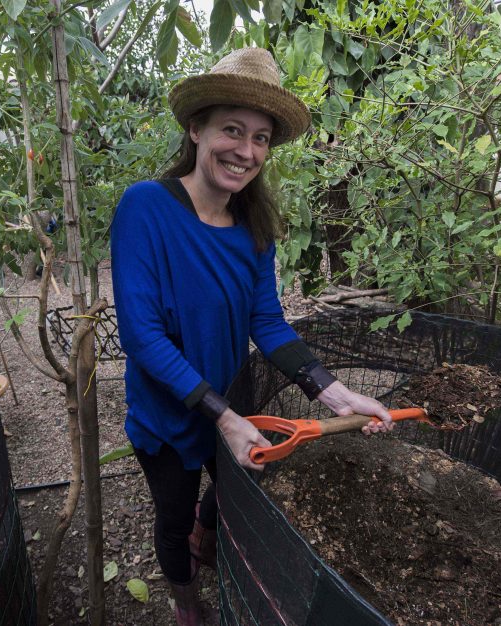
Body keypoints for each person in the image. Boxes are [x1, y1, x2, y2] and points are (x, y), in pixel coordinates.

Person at [110, 47, 393, 626]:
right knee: (172, 512)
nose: (245, 150)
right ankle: (188, 605)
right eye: (231, 130)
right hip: (169, 410)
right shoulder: (147, 206)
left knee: (243, 486)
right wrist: (222, 417)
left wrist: (334, 394)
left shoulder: (254, 225)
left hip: (228, 399)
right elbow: (141, 336)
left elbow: (267, 321)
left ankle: (205, 535)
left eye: (260, 138)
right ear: (196, 129)